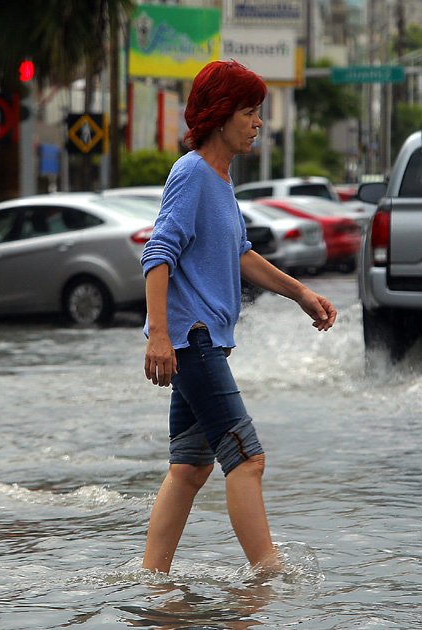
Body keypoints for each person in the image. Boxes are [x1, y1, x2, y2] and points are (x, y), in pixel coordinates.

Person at [139, 60, 337, 576]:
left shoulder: (220, 181)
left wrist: (299, 294)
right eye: (249, 112)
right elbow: (157, 254)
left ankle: (151, 580)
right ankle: (267, 578)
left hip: (201, 341)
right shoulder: (192, 173)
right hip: (194, 339)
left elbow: (240, 253)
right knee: (247, 459)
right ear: (221, 115)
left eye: (258, 113)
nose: (257, 123)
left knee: (188, 468)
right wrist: (159, 334)